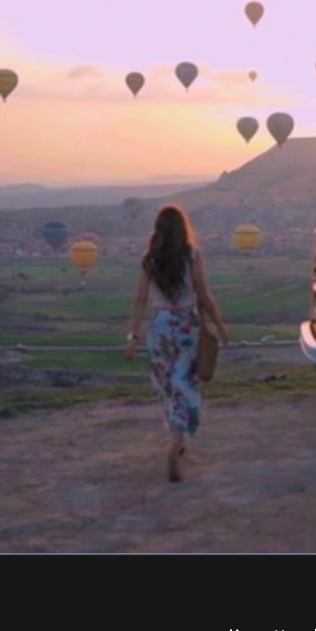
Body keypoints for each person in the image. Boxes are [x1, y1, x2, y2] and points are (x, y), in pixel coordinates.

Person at [125, 204, 229, 482]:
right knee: (185, 384)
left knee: (170, 388)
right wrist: (220, 325)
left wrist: (133, 336)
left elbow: (140, 300)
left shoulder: (149, 260)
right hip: (185, 326)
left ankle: (176, 438)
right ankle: (176, 443)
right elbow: (204, 296)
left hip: (159, 329)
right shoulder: (191, 256)